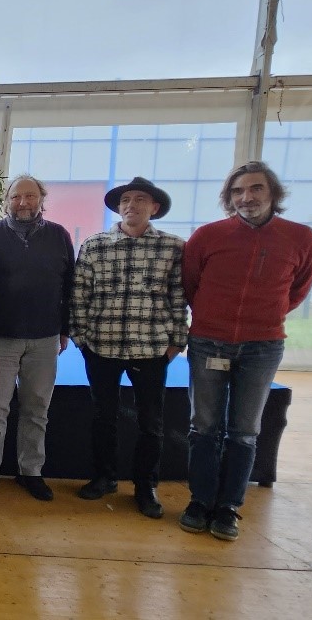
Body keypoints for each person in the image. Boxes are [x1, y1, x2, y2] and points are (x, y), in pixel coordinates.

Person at [179, 161, 312, 541]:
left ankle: (228, 508)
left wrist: (265, 317)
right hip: (208, 340)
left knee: (244, 430)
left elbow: (298, 290)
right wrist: (213, 318)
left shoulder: (301, 238)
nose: (247, 197)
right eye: (238, 191)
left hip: (263, 346)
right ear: (229, 198)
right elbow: (192, 285)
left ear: (272, 193)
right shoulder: (207, 237)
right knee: (204, 426)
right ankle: (200, 501)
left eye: (256, 189)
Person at [70, 177, 188, 519]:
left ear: (154, 207)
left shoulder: (173, 247)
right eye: (125, 199)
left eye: (139, 199)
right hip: (102, 346)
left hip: (151, 349)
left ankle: (145, 486)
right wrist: (81, 338)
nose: (130, 205)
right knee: (103, 416)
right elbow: (79, 295)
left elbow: (179, 299)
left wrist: (175, 342)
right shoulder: (95, 245)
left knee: (151, 422)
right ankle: (105, 476)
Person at [0, 174, 75, 502]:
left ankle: (30, 470)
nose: (23, 202)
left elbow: (70, 286)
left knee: (36, 408)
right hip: (1, 338)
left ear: (41, 198)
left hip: (45, 339)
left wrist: (65, 329)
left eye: (30, 196)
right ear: (7, 200)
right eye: (17, 196)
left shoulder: (59, 236)